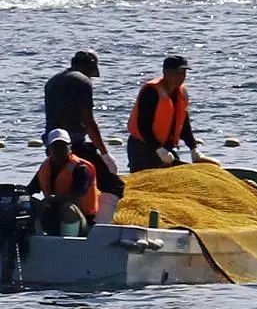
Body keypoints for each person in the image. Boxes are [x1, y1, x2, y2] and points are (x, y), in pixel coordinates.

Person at [44, 49, 124, 223]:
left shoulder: (53, 81)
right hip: (75, 146)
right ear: (90, 67)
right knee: (114, 185)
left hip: (52, 147)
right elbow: (88, 121)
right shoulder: (82, 81)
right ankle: (99, 228)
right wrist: (105, 153)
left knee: (69, 188)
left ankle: (69, 224)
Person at [126, 55, 219, 173]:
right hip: (142, 147)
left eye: (183, 73)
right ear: (165, 72)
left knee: (180, 174)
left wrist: (193, 149)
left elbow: (184, 123)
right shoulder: (152, 91)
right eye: (176, 73)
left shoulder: (181, 92)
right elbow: (143, 125)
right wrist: (158, 149)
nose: (180, 77)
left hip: (166, 148)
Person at [26, 129, 99, 236]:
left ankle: (69, 241)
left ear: (70, 148)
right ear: (49, 149)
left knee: (68, 208)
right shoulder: (45, 168)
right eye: (55, 146)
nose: (59, 150)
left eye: (63, 146)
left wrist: (52, 200)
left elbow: (76, 196)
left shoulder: (80, 168)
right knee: (27, 203)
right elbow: (29, 190)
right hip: (53, 216)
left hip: (82, 220)